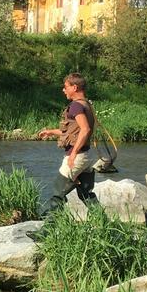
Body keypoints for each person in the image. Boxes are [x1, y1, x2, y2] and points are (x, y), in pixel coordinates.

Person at [37, 73, 98, 214]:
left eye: (66, 87)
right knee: (86, 194)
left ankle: (46, 231)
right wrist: (51, 131)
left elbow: (85, 129)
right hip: (87, 156)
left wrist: (73, 154)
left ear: (74, 87)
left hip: (77, 156)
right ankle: (105, 226)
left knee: (58, 192)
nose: (63, 90)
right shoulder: (86, 104)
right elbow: (74, 131)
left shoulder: (76, 106)